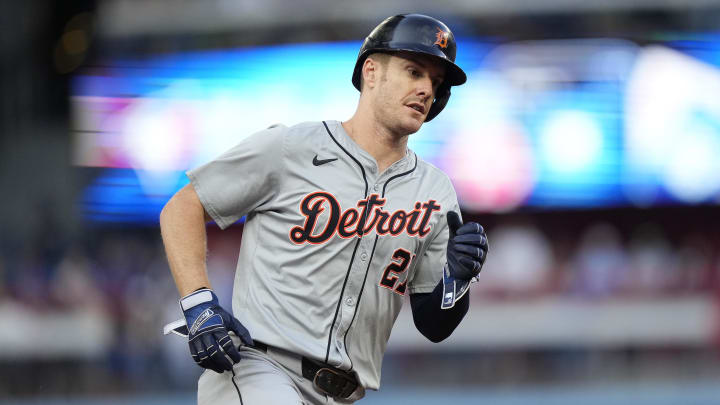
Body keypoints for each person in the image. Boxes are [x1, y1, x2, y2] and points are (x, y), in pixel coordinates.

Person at [160, 13, 489, 404]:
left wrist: (457, 279)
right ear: (371, 72)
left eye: (435, 83)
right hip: (259, 369)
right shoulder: (292, 147)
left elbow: (434, 324)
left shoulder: (435, 191)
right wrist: (199, 304)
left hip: (344, 393)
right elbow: (183, 206)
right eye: (413, 71)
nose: (425, 90)